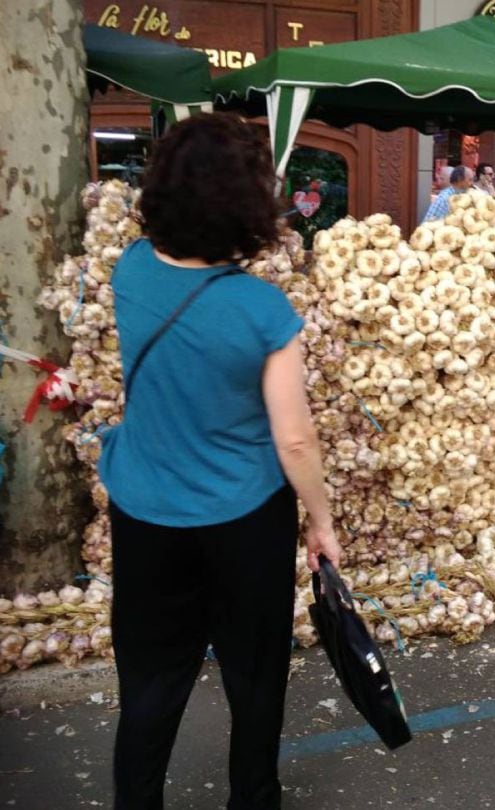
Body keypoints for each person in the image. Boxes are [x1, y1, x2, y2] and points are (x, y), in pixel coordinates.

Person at [98, 113, 343, 809]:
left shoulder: (130, 270)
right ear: (248, 201)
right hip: (245, 517)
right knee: (254, 675)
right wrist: (320, 522)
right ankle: (252, 799)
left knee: (149, 680)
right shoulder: (264, 312)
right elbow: (294, 440)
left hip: (143, 508)